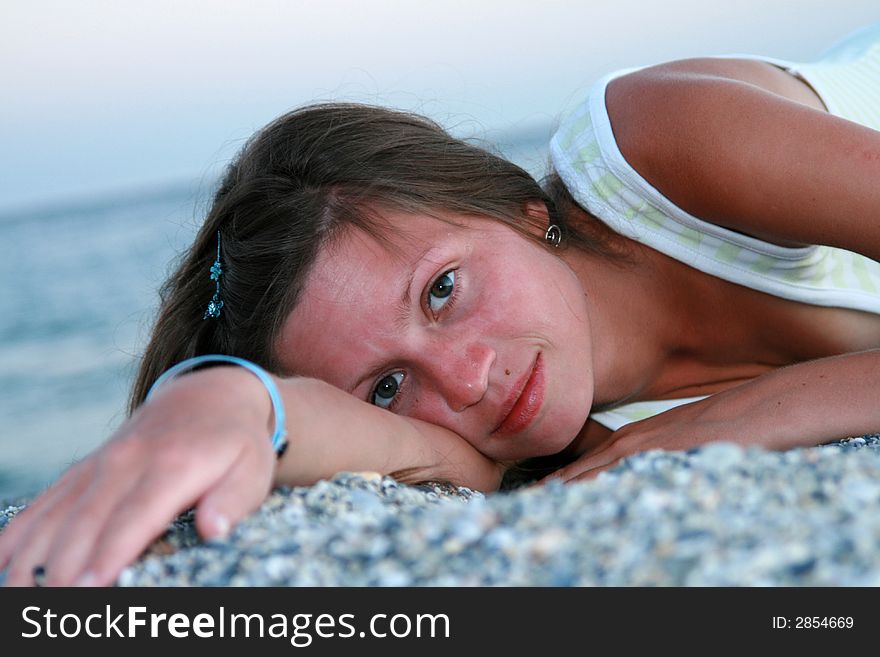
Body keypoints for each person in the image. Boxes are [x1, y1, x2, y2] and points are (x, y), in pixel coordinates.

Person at [2, 23, 879, 588]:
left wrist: (728, 419)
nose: (463, 380)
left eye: (442, 289)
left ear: (517, 207)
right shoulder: (523, 444)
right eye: (387, 385)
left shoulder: (656, 150)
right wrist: (222, 398)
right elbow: (330, 432)